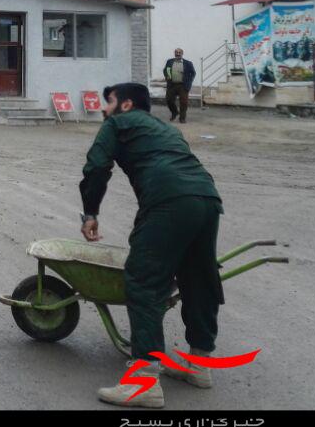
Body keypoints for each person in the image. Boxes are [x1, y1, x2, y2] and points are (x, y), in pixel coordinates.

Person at [80, 83, 224, 409]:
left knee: (143, 279)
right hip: (207, 197)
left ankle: (144, 380)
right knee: (197, 277)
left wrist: (90, 212)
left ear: (126, 105)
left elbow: (97, 166)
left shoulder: (117, 123)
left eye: (109, 102)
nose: (104, 109)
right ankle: (200, 363)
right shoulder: (163, 127)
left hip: (169, 199)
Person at [163, 48, 196, 122]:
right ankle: (174, 112)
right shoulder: (170, 61)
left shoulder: (188, 63)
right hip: (172, 85)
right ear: (174, 53)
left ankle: (182, 118)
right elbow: (165, 70)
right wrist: (167, 76)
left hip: (183, 85)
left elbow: (193, 73)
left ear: (182, 53)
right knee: (169, 100)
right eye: (176, 52)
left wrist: (189, 82)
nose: (177, 54)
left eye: (179, 52)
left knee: (183, 102)